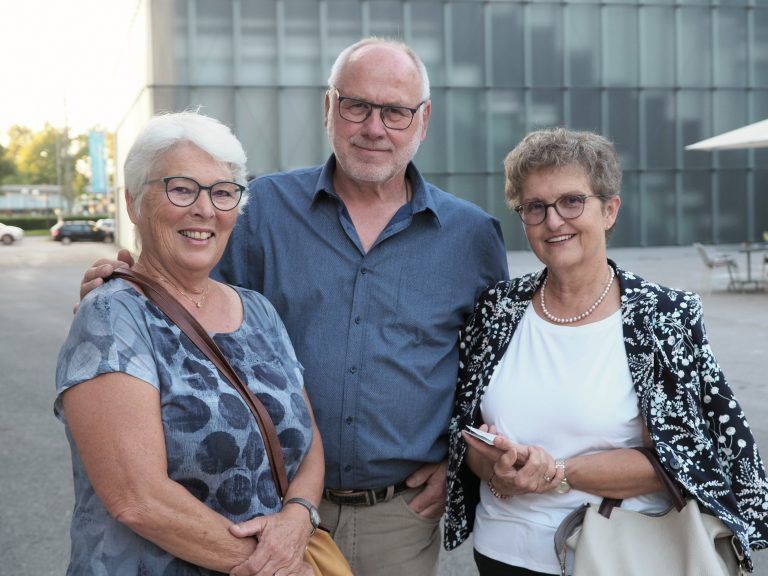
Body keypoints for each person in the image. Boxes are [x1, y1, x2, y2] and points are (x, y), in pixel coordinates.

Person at [78, 38, 509, 576]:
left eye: (395, 111)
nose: (375, 127)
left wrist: (460, 460)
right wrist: (124, 285)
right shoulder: (260, 211)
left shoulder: (471, 236)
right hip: (262, 503)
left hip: (399, 518)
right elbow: (183, 293)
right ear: (329, 108)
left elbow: (491, 370)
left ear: (422, 120)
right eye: (357, 106)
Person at [444, 127, 768, 575]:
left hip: (621, 556)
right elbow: (468, 431)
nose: (553, 221)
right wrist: (497, 466)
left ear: (610, 210)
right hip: (503, 554)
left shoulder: (662, 315)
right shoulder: (498, 308)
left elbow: (679, 458)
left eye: (571, 201)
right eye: (535, 207)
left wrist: (557, 470)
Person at [57, 111, 324, 576]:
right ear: (134, 203)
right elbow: (138, 500)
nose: (205, 209)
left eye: (223, 193)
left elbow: (309, 439)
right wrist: (274, 568)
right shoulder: (113, 315)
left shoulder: (258, 310)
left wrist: (300, 514)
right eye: (182, 188)